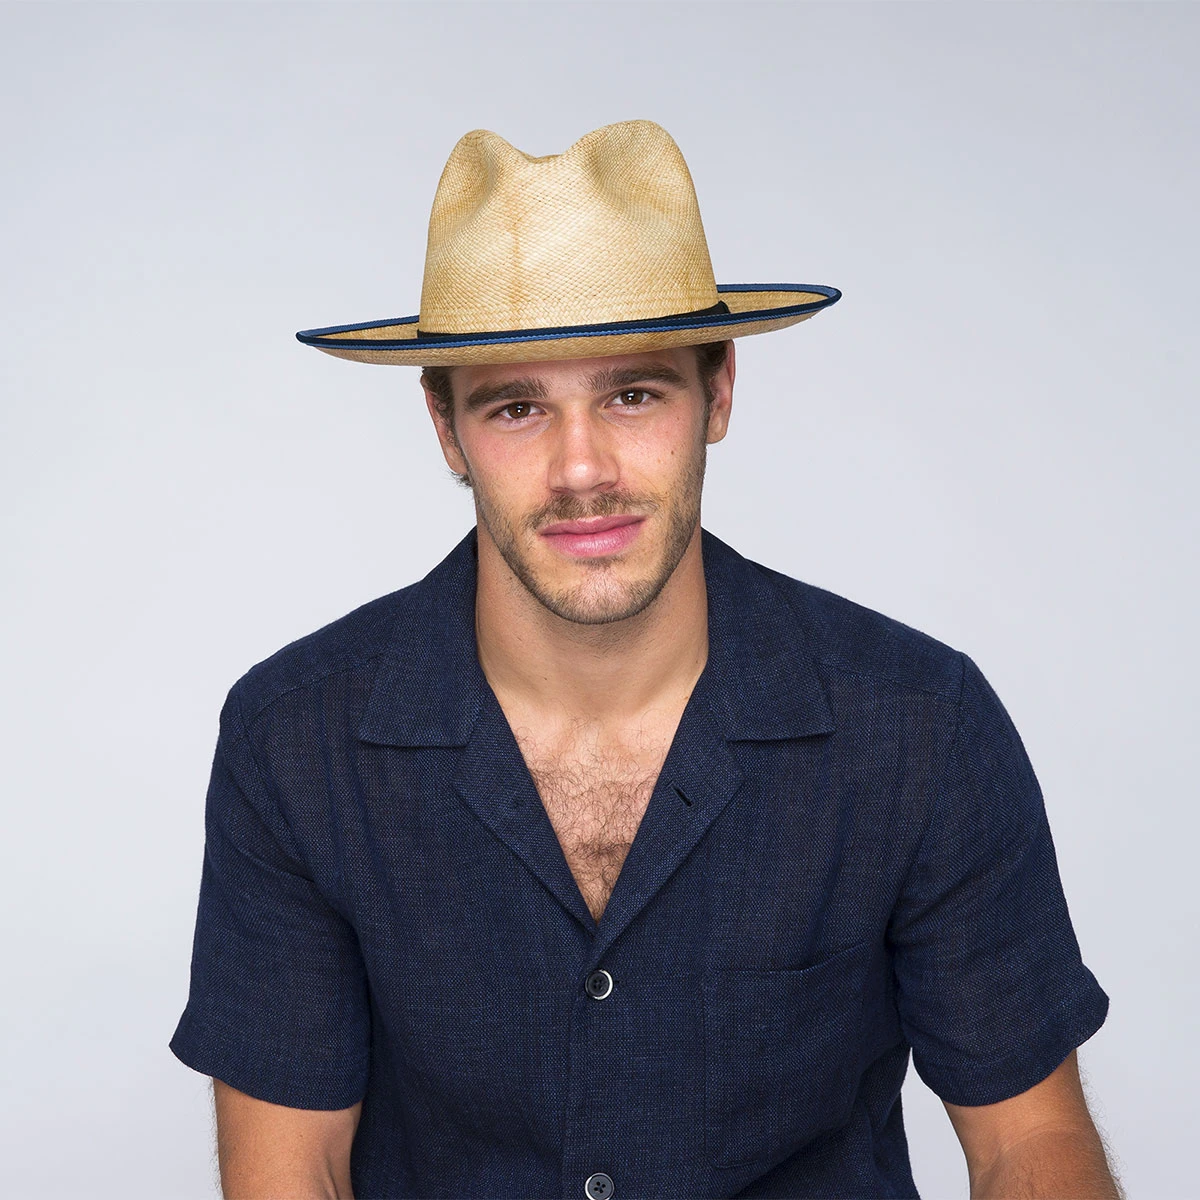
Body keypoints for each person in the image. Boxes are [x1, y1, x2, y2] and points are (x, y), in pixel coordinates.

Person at [171, 121, 1119, 1199]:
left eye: (633, 395)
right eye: (517, 406)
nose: (583, 470)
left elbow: (1027, 1142)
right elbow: (292, 1168)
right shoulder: (296, 745)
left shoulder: (920, 728)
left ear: (719, 394)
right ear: (445, 429)